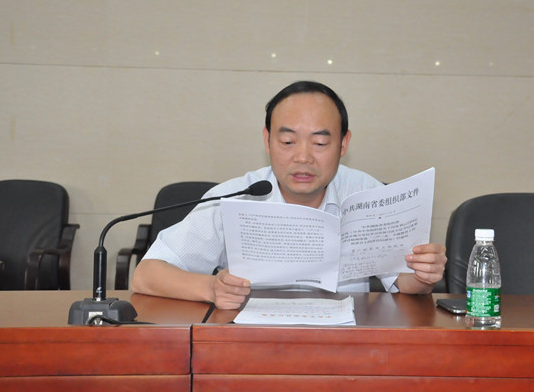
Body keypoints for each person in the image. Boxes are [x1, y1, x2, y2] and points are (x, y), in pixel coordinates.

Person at [131, 81, 447, 309]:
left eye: (320, 144)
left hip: (345, 344)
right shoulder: (236, 197)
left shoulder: (367, 194)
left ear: (343, 144)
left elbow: (406, 284)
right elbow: (146, 275)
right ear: (267, 140)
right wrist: (211, 288)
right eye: (287, 142)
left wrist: (424, 275)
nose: (303, 157)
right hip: (251, 346)